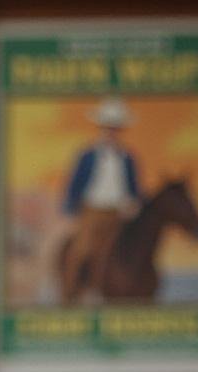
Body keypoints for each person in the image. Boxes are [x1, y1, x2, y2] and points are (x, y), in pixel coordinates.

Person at [61, 98, 142, 303]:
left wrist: (134, 202)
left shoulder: (127, 157)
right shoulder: (88, 155)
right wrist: (70, 207)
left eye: (115, 127)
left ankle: (110, 292)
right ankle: (70, 291)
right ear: (101, 128)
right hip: (92, 210)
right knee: (82, 250)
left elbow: (133, 186)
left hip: (118, 213)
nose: (111, 132)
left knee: (118, 252)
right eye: (107, 127)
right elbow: (75, 182)